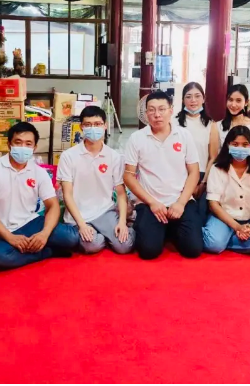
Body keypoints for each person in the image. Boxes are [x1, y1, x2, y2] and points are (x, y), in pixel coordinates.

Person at [0, 122, 78, 270]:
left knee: (71, 238)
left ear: (34, 147)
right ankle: (48, 251)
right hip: (0, 229)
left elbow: (53, 205)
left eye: (28, 144)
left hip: (31, 223)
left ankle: (34, 246)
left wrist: (44, 234)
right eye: (18, 142)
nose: (23, 147)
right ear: (9, 144)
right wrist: (10, 237)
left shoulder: (39, 172)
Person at [123, 91, 202, 260]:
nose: (157, 114)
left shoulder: (184, 135)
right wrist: (152, 202)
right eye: (151, 110)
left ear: (171, 110)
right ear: (146, 113)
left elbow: (194, 172)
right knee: (148, 251)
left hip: (180, 201)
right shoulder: (136, 138)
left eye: (161, 109)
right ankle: (157, 228)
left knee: (193, 249)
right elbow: (128, 176)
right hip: (150, 203)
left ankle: (168, 229)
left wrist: (181, 203)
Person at [58, 106, 134, 254]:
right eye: (88, 124)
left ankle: (116, 230)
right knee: (92, 245)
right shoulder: (68, 156)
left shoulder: (114, 157)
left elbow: (120, 193)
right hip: (79, 215)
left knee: (124, 246)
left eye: (98, 124)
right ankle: (102, 236)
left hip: (105, 211)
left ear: (105, 125)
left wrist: (122, 222)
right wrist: (81, 225)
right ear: (81, 127)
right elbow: (67, 194)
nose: (93, 128)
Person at [202, 126, 250, 256]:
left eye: (245, 144)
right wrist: (236, 227)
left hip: (247, 221)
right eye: (235, 144)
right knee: (213, 245)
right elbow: (213, 204)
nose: (240, 148)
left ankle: (224, 240)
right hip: (222, 218)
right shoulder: (217, 168)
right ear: (228, 145)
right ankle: (220, 238)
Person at [176, 82, 217, 216]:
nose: (193, 100)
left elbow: (213, 157)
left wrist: (203, 183)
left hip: (202, 176)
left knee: (200, 214)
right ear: (183, 100)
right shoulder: (174, 123)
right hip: (179, 176)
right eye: (188, 97)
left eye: (197, 96)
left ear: (203, 99)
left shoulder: (211, 125)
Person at [211, 85, 250, 169]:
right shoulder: (218, 126)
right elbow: (214, 157)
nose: (233, 104)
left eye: (238, 100)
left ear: (246, 102)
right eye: (230, 100)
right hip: (224, 170)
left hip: (249, 171)